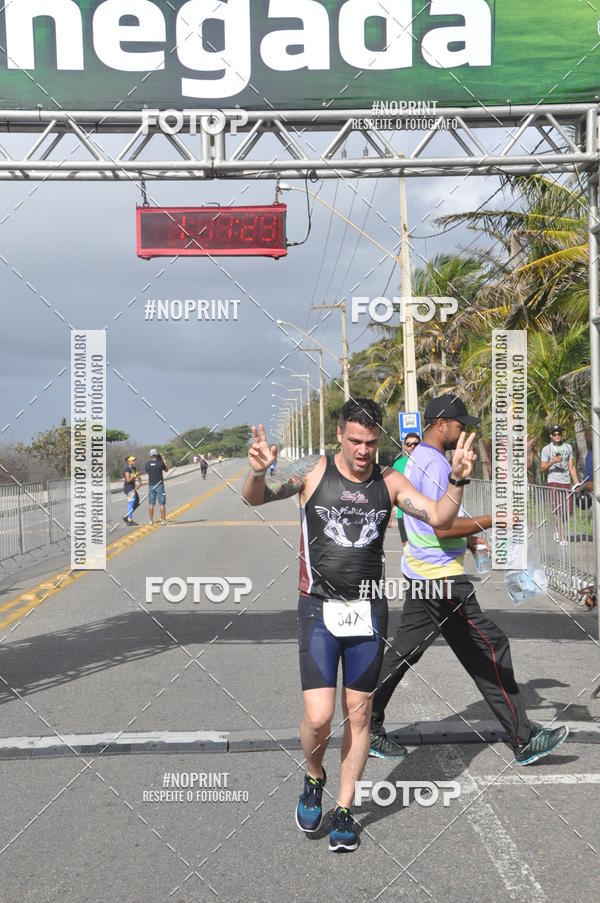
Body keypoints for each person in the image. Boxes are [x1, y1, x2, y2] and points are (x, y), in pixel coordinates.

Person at [242, 398, 476, 852]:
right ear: (339, 436)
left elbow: (442, 517)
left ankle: (346, 809)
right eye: (355, 441)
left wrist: (459, 480)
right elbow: (256, 498)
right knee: (318, 716)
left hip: (368, 609)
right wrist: (256, 472)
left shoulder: (390, 481)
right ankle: (314, 776)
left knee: (360, 713)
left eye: (370, 442)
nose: (363, 451)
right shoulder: (312, 472)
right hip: (318, 608)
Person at [368, 394, 569, 768]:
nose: (464, 433)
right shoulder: (433, 463)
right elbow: (442, 528)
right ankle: (524, 739)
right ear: (441, 423)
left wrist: (470, 538)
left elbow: (432, 524)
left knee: (403, 653)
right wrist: (494, 520)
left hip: (423, 572)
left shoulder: (418, 459)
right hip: (441, 579)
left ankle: (366, 724)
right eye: (460, 426)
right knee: (493, 647)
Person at [540, 425, 579, 545]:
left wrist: (577, 483)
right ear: (551, 436)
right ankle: (561, 537)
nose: (557, 436)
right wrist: (552, 461)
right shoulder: (547, 449)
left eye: (559, 434)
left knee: (569, 510)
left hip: (566, 481)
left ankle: (558, 528)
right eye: (554, 434)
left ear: (562, 435)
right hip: (553, 481)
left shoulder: (568, 447)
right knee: (557, 510)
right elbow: (542, 467)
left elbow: (571, 466)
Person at [393, 432, 420, 546]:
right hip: (403, 513)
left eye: (415, 444)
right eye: (409, 444)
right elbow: (392, 489)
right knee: (407, 546)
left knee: (422, 545)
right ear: (404, 447)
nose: (412, 446)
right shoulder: (398, 464)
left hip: (422, 512)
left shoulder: (426, 462)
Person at [145, 449, 168, 525]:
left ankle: (151, 520)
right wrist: (163, 460)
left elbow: (148, 471)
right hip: (159, 485)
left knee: (151, 504)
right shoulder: (160, 463)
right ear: (156, 455)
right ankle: (163, 520)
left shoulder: (147, 464)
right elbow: (166, 470)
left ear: (150, 455)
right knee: (162, 503)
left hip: (151, 485)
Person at [123, 455, 141, 525]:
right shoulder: (127, 469)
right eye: (133, 460)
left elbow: (138, 475)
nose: (134, 461)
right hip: (128, 488)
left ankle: (127, 516)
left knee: (137, 502)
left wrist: (140, 482)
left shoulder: (134, 468)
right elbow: (128, 480)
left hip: (132, 488)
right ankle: (129, 520)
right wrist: (133, 476)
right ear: (129, 462)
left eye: (134, 460)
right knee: (132, 502)